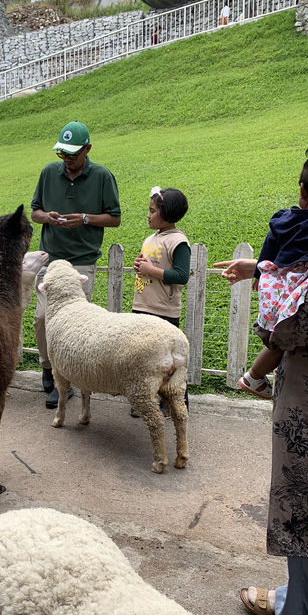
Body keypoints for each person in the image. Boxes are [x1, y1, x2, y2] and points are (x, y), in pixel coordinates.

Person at [214, 144, 308, 615]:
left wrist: (268, 278)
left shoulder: (307, 276)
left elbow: (283, 329)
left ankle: (299, 610)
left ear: (303, 193)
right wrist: (261, 270)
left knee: (306, 505)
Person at [31, 121, 121, 409]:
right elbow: (35, 212)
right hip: (51, 259)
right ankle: (49, 368)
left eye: (72, 154)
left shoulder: (102, 176)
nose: (67, 160)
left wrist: (84, 218)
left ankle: (65, 382)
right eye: (63, 154)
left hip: (81, 261)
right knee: (43, 319)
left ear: (87, 149)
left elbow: (115, 217)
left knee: (73, 326)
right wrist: (47, 217)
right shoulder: (48, 173)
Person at [236, 144, 308, 400]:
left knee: (277, 342)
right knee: (282, 342)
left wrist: (259, 275)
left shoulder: (283, 220)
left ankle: (254, 377)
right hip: (301, 292)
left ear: (302, 189)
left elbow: (268, 250)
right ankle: (253, 377)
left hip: (278, 291)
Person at [131, 185, 190, 414]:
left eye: (153, 211)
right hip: (142, 306)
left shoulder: (178, 241)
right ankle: (147, 401)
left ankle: (175, 403)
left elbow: (182, 276)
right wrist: (140, 266)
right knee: (145, 359)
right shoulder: (152, 238)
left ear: (167, 215)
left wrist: (151, 270)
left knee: (169, 361)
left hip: (163, 310)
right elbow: (148, 267)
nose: (148, 214)